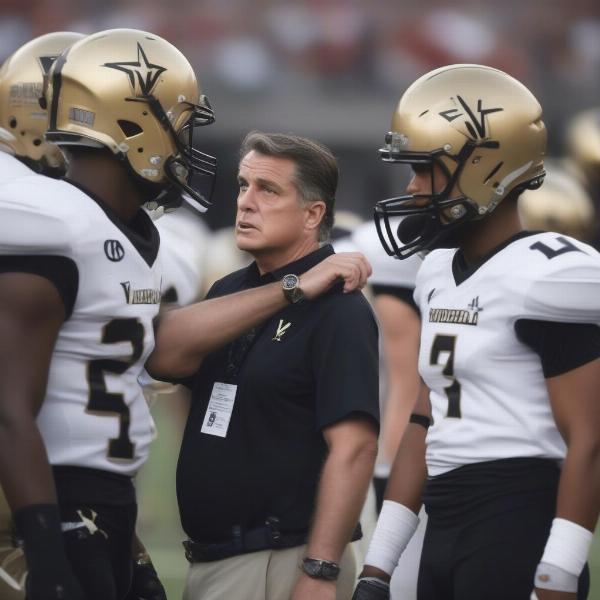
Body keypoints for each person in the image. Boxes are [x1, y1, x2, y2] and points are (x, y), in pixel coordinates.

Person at [0, 28, 371, 600]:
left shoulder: (129, 233)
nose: (244, 198)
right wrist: (44, 545)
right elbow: (16, 404)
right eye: (178, 123)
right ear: (132, 123)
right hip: (58, 501)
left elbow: (157, 347)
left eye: (267, 190)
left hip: (118, 504)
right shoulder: (54, 222)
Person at [353, 63, 600, 600]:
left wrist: (557, 573)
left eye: (424, 170)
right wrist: (378, 565)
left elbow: (590, 440)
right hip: (444, 518)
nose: (412, 188)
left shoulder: (553, 272)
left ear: (484, 169)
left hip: (517, 521)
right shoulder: (438, 268)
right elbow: (426, 415)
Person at [148, 131, 380, 600]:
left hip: (282, 561)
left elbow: (354, 448)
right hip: (214, 557)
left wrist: (320, 569)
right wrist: (293, 287)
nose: (245, 202)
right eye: (242, 185)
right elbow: (162, 353)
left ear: (313, 213)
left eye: (268, 190)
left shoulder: (341, 309)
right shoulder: (231, 290)